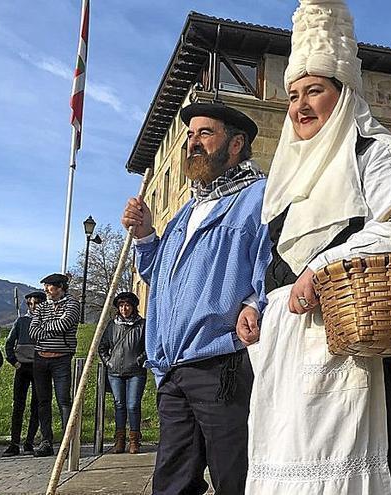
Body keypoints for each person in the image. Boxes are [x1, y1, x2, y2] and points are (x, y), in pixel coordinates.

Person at [245, 2, 391, 493]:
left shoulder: (381, 152)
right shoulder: (288, 176)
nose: (300, 106)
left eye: (314, 91)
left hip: (371, 352)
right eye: (293, 94)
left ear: (343, 96)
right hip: (293, 360)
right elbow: (281, 261)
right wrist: (255, 302)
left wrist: (322, 270)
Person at [122, 100, 270, 494]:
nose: (192, 143)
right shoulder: (187, 211)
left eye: (205, 133)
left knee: (235, 478)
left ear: (236, 144)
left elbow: (274, 269)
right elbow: (159, 276)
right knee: (170, 484)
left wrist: (256, 304)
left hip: (222, 363)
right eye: (190, 135)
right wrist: (146, 235)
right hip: (173, 368)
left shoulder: (260, 199)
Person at [28, 273, 80, 458]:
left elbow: (65, 324)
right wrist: (51, 327)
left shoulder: (72, 304)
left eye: (49, 286)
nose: (46, 290)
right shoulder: (41, 307)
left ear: (59, 287)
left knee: (63, 400)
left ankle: (68, 442)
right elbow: (33, 331)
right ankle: (46, 441)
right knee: (43, 402)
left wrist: (46, 328)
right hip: (40, 359)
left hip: (61, 358)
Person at [98, 292, 146, 454]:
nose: (124, 309)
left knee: (133, 405)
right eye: (121, 306)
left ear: (133, 307)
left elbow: (149, 347)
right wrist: (108, 362)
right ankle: (119, 440)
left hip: (136, 372)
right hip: (115, 371)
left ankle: (134, 439)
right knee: (119, 405)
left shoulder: (142, 325)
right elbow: (102, 347)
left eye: (127, 306)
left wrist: (140, 360)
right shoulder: (112, 325)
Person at [2, 290, 45, 457]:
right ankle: (14, 442)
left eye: (36, 303)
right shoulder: (21, 321)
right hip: (22, 368)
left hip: (39, 368)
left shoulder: (45, 322)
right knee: (18, 405)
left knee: (37, 405)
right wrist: (14, 361)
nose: (33, 307)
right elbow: (9, 343)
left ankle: (29, 442)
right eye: (30, 304)